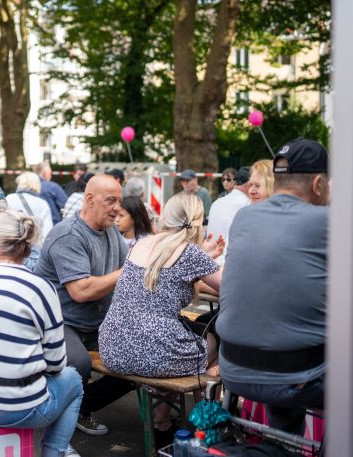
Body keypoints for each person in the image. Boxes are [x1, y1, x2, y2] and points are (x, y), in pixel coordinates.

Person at [0, 209, 83, 457]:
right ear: (28, 249)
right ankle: (53, 453)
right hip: (15, 408)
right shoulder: (41, 288)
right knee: (73, 380)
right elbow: (56, 363)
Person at [216, 138, 329, 435]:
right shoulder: (330, 221)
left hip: (234, 368)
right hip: (298, 377)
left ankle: (281, 445)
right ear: (319, 183)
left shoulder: (244, 217)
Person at [99, 193, 224, 442]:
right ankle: (210, 429)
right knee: (213, 342)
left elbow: (163, 279)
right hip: (152, 353)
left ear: (166, 217)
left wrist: (203, 258)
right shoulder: (189, 253)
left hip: (112, 347)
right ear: (198, 221)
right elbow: (231, 288)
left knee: (183, 338)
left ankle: (162, 420)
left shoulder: (141, 243)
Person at [34, 175, 133, 435]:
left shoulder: (111, 230)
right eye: (110, 200)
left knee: (140, 356)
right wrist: (130, 270)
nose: (117, 208)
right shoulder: (67, 235)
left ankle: (81, 405)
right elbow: (82, 291)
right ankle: (59, 420)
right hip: (59, 322)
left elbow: (126, 275)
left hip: (97, 323)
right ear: (89, 199)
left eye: (119, 202)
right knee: (78, 363)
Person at [206, 166, 250, 248]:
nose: (225, 182)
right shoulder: (247, 204)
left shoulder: (216, 202)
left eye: (229, 179)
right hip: (228, 256)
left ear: (235, 182)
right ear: (249, 184)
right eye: (256, 185)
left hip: (210, 254)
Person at [6, 172, 53, 244]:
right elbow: (47, 231)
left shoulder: (10, 198)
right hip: (36, 247)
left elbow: (3, 224)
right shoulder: (43, 203)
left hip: (13, 246)